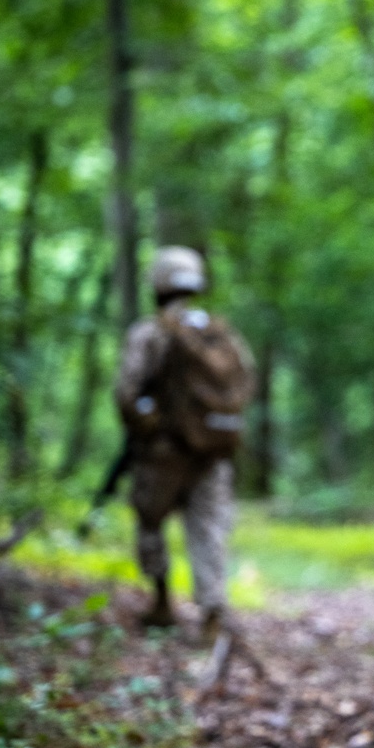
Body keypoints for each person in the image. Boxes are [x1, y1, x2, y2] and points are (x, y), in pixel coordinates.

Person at [115, 246, 254, 638]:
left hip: (162, 453)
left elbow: (126, 391)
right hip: (213, 453)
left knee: (150, 522)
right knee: (208, 528)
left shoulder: (149, 332)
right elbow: (246, 383)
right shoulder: (217, 332)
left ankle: (161, 602)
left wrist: (149, 430)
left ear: (156, 283)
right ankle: (211, 612)